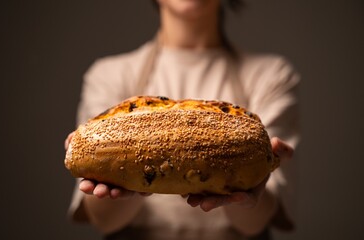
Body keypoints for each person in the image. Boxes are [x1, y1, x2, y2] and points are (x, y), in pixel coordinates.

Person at [65, 0, 300, 239]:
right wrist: (126, 179)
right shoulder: (109, 75)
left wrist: (242, 194)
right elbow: (105, 221)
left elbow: (255, 223)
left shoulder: (271, 75)